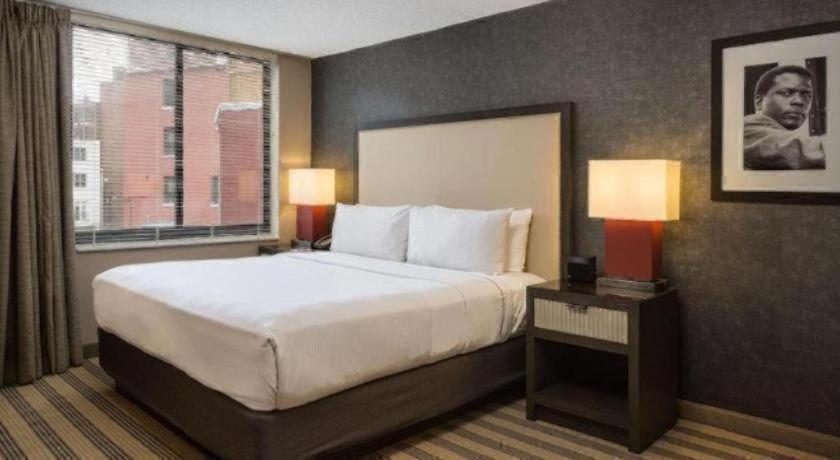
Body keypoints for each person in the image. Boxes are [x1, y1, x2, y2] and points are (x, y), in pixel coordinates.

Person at [743, 65, 825, 170]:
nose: (799, 101)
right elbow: (805, 150)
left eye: (806, 96)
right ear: (759, 102)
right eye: (786, 93)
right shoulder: (746, 129)